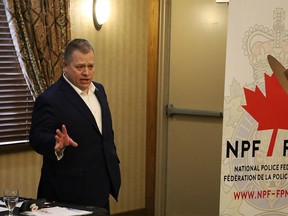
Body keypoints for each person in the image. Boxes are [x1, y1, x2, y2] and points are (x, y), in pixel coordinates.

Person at [29, 38, 121, 214]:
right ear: (65, 64)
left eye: (91, 66)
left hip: (101, 183)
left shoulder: (100, 91)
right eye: (80, 67)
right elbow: (36, 137)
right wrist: (56, 144)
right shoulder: (50, 99)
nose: (86, 72)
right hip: (68, 190)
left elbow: (104, 133)